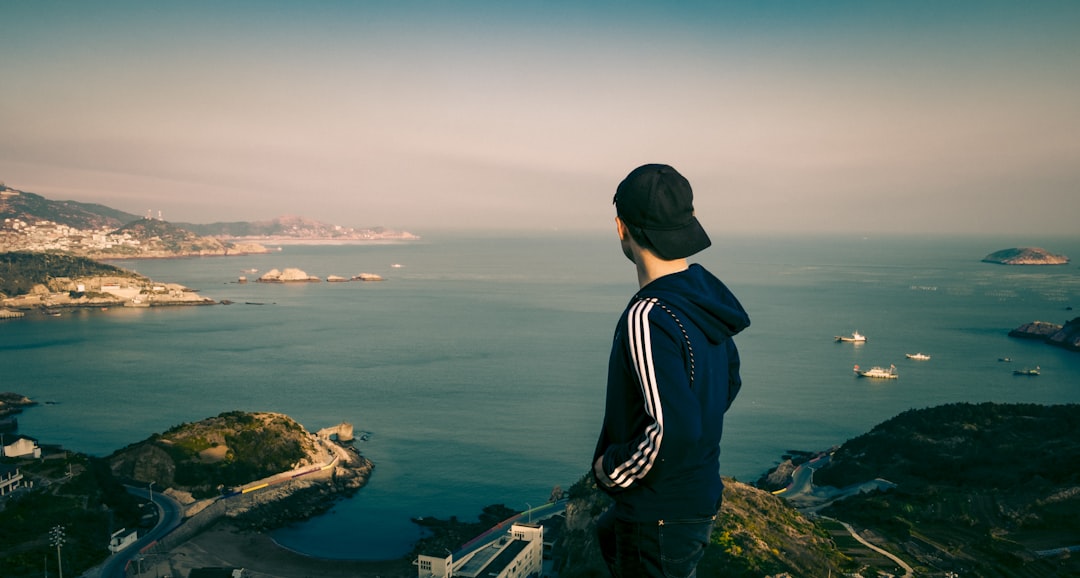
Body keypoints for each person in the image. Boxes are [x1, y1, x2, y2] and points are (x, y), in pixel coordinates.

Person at [592, 163, 750, 577]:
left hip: (658, 512)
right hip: (696, 499)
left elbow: (672, 430)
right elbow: (728, 382)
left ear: (621, 228)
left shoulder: (649, 314)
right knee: (606, 533)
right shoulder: (701, 299)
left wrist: (612, 470)